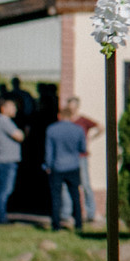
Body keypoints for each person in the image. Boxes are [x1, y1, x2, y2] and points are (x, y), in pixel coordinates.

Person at [45, 96, 92, 233]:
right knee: (75, 196)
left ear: (59, 116)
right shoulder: (78, 130)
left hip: (57, 166)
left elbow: (49, 151)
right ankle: (79, 224)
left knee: (56, 197)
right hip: (73, 166)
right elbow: (83, 148)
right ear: (71, 116)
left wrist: (48, 165)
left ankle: (56, 224)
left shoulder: (51, 129)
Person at [0, 95, 24, 225]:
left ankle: (2, 214)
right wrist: (23, 132)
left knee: (6, 188)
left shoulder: (4, 121)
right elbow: (19, 136)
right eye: (12, 107)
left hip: (7, 159)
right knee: (5, 189)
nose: (15, 109)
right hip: (6, 160)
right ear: (3, 108)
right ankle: (1, 216)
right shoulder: (4, 121)